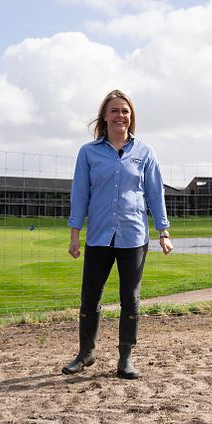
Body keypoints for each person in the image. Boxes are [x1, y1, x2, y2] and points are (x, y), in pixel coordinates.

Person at [63, 89, 174, 380]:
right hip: (98, 236)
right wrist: (75, 233)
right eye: (114, 110)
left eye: (125, 111)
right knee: (90, 298)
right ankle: (85, 353)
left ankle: (126, 359)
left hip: (133, 236)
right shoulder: (88, 152)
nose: (120, 116)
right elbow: (80, 193)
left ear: (131, 117)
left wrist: (163, 231)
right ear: (104, 116)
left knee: (130, 299)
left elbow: (154, 192)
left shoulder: (145, 152)